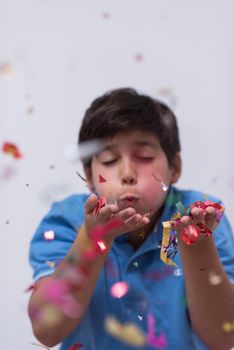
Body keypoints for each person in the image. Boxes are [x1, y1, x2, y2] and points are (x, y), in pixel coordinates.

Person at [28, 88, 234, 350]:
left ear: (175, 168)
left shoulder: (202, 216)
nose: (127, 173)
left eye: (145, 157)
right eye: (110, 159)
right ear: (89, 176)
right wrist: (93, 240)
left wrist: (197, 245)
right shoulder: (67, 220)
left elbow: (224, 337)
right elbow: (46, 330)